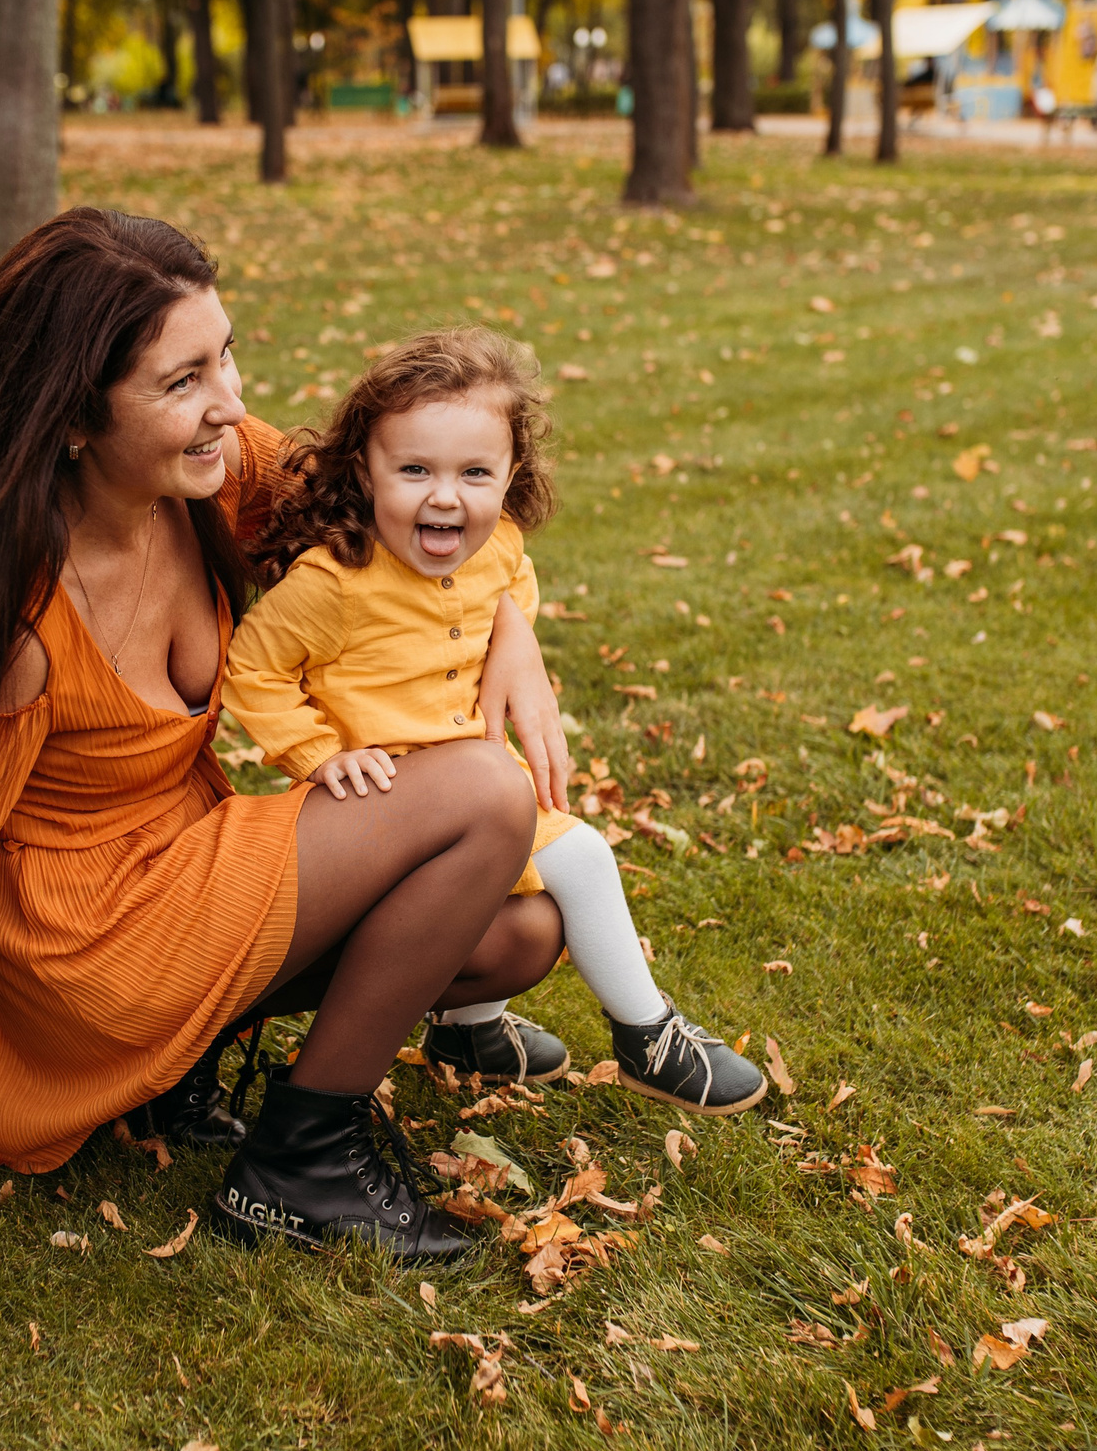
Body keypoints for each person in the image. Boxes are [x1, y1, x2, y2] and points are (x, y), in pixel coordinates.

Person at [0, 209, 577, 1328]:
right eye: (182, 380)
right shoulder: (14, 622)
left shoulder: (217, 472)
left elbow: (430, 502)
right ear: (71, 414)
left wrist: (517, 634)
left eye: (225, 355)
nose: (227, 401)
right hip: (87, 947)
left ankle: (181, 1075)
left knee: (517, 933)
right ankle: (301, 1161)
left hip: (186, 868)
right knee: (483, 791)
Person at [220, 328, 769, 1154]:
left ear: (511, 476)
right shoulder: (335, 581)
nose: (447, 498)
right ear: (365, 470)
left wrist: (516, 631)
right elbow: (251, 667)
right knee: (580, 856)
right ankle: (648, 1033)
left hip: (475, 788)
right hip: (385, 811)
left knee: (523, 894)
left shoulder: (498, 547)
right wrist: (317, 752)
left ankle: (469, 1031)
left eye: (476, 473)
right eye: (415, 471)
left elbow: (513, 583)